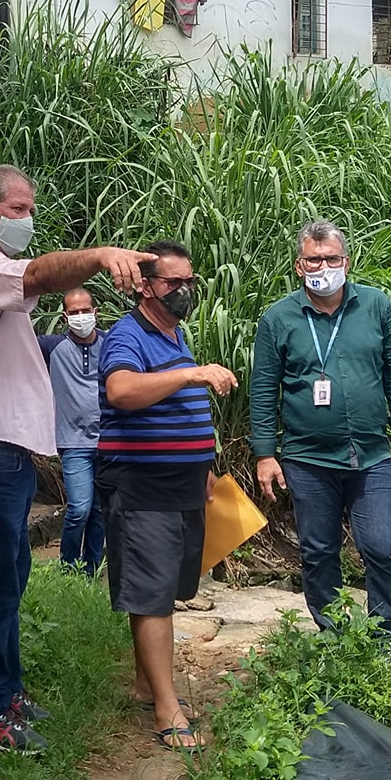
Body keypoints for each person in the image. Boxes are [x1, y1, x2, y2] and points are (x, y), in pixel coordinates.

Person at [0, 167, 155, 754]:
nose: (28, 219)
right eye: (19, 209)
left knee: (8, 577)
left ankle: (4, 692)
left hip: (2, 450)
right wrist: (101, 255)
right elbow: (38, 273)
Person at [250, 221, 391, 648]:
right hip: (307, 458)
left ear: (346, 262)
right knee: (319, 553)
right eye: (314, 259)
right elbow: (263, 388)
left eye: (331, 259)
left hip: (370, 455)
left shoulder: (375, 305)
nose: (323, 266)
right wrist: (265, 453)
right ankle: (336, 638)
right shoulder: (278, 318)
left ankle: (389, 640)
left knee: (383, 548)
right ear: (298, 265)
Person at [98, 244, 237, 750]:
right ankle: (166, 708)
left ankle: (143, 684)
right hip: (144, 486)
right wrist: (192, 373)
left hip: (183, 483)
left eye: (189, 281)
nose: (184, 291)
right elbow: (122, 391)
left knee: (170, 587)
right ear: (144, 285)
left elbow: (179, 408)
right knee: (153, 597)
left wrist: (205, 465)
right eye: (172, 282)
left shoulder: (172, 334)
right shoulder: (127, 335)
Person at [38, 288, 107, 577]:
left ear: (96, 313)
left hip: (108, 442)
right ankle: (68, 568)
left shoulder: (112, 344)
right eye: (73, 312)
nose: (80, 317)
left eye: (84, 311)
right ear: (65, 316)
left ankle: (90, 572)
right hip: (73, 442)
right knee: (80, 508)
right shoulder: (51, 347)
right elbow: (15, 340)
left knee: (100, 513)